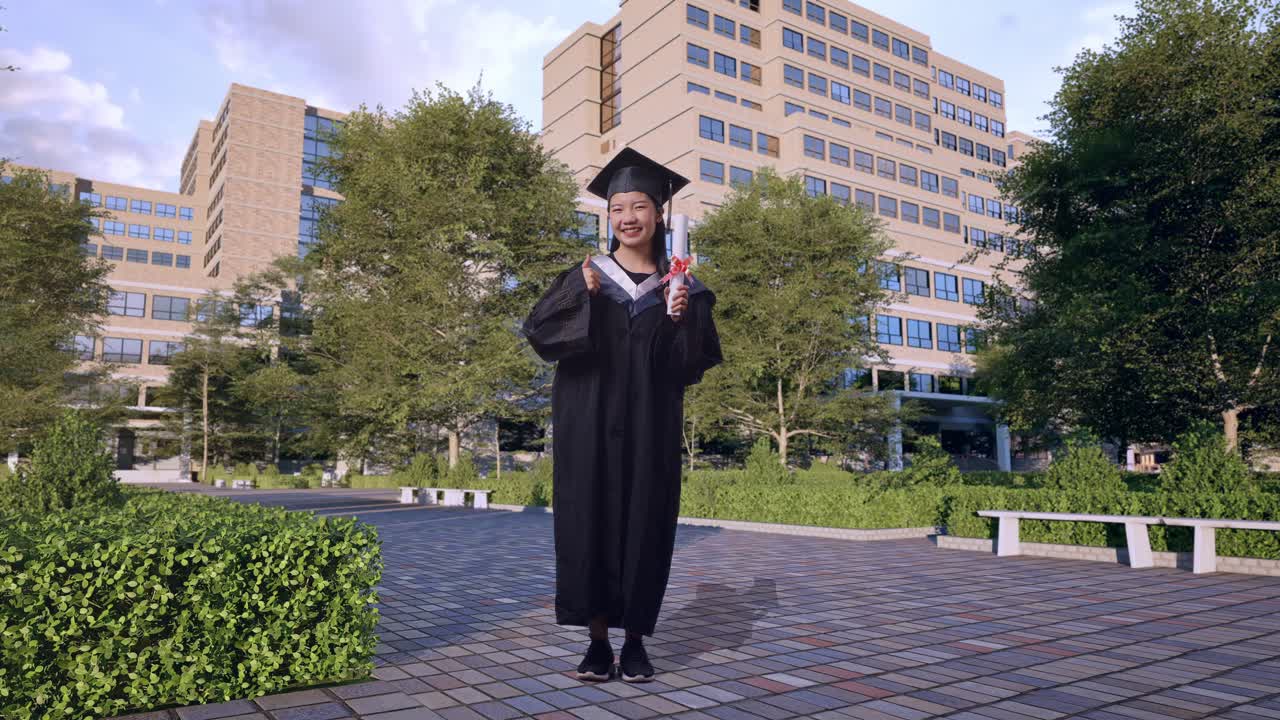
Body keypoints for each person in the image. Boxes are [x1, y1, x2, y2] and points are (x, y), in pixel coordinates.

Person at [522, 148, 723, 683]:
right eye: (616, 208)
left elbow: (692, 366)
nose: (627, 217)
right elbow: (540, 333)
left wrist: (680, 320)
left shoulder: (684, 287)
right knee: (589, 522)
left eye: (639, 206)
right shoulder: (586, 275)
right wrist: (575, 294)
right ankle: (594, 643)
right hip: (587, 425)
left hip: (649, 428)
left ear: (660, 213)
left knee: (644, 524)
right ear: (607, 217)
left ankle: (634, 642)